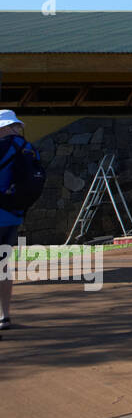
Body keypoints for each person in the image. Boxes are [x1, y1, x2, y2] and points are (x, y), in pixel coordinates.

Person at [0, 111, 44, 335]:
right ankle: (4, 315)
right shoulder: (28, 148)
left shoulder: (3, 147)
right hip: (13, 215)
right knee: (3, 267)